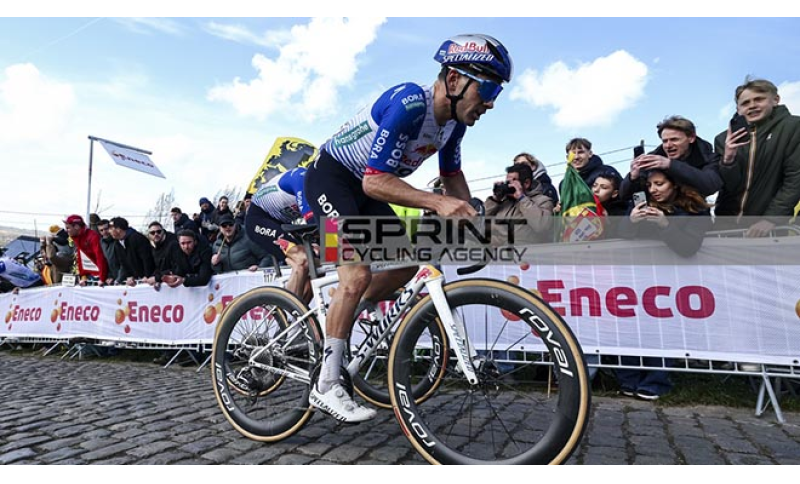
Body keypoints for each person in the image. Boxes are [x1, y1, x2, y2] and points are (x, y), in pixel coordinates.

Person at [303, 34, 513, 422]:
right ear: (454, 80)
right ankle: (327, 383)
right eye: (487, 89)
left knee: (405, 266)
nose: (491, 102)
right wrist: (438, 203)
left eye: (496, 92)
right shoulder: (410, 104)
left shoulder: (454, 126)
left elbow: (452, 177)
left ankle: (342, 323)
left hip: (367, 189)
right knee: (356, 275)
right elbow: (374, 182)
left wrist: (477, 227)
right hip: (331, 179)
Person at [714, 78, 800, 236]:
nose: (752, 105)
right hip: (725, 226)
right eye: (745, 103)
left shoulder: (793, 127)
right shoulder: (723, 139)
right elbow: (729, 186)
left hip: (768, 228)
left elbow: (795, 178)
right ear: (738, 109)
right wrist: (728, 160)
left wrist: (772, 219)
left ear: (775, 100)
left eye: (759, 99)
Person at [246, 167, 315, 302]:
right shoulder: (301, 179)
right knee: (302, 260)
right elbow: (314, 224)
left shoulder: (322, 185)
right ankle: (285, 309)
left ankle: (300, 312)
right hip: (258, 220)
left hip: (281, 224)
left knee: (315, 266)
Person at [622, 116, 722, 201]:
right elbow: (626, 196)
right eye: (665, 141)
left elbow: (711, 186)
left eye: (674, 139)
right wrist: (632, 179)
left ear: (691, 138)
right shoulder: (653, 160)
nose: (668, 145)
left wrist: (670, 165)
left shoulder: (708, 158)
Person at [485, 163, 554, 245]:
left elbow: (542, 226)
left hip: (525, 248)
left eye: (513, 181)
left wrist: (522, 198)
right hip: (498, 246)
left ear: (526, 183)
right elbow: (484, 219)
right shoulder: (505, 201)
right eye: (507, 181)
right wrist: (495, 199)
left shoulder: (543, 201)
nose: (509, 185)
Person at [64, 214, 108, 286]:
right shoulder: (78, 238)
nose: (66, 231)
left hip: (99, 276)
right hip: (90, 275)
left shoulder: (92, 236)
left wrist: (102, 278)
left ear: (77, 226)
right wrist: (83, 276)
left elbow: (100, 257)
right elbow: (81, 258)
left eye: (68, 228)